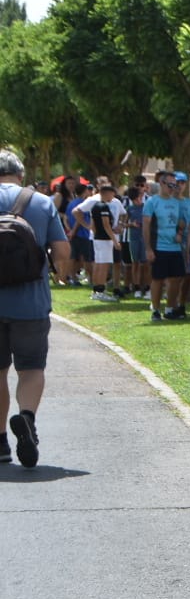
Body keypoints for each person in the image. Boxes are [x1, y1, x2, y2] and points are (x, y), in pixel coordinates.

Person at [0, 151, 70, 469]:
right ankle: (26, 418)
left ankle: (0, 441)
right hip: (31, 303)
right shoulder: (41, 203)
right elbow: (63, 250)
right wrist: (61, 273)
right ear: (20, 173)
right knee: (31, 369)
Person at [145, 170, 190, 323]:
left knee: (176, 278)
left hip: (175, 247)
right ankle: (156, 309)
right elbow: (146, 226)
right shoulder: (152, 202)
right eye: (170, 185)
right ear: (161, 183)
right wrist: (148, 248)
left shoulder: (176, 202)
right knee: (158, 279)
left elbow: (180, 221)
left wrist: (180, 231)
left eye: (176, 185)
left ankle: (170, 308)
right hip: (159, 246)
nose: (173, 188)